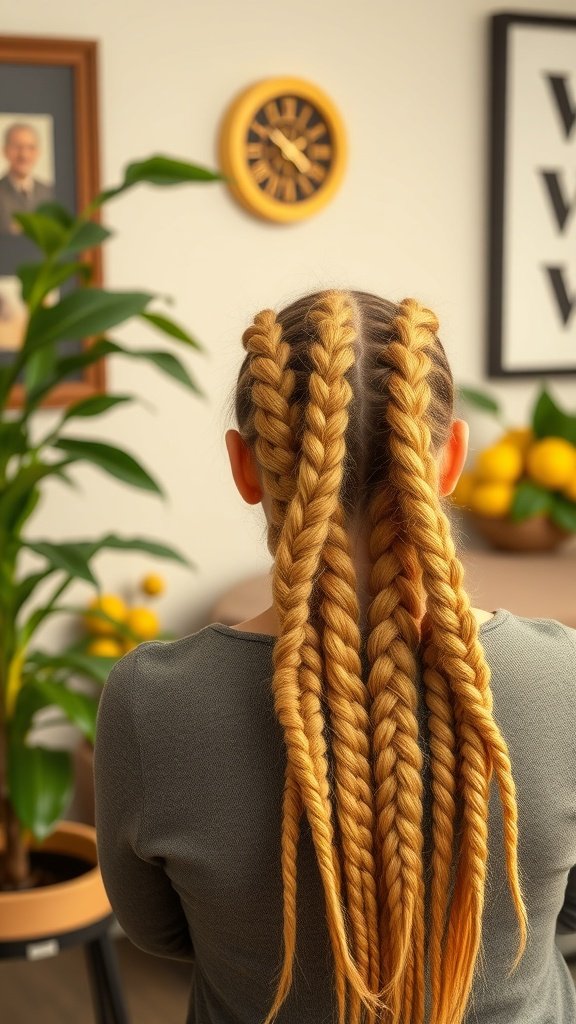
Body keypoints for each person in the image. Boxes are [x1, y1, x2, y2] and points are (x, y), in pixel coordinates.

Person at [94, 289, 576, 1024]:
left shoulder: (149, 702)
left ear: (245, 467)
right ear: (449, 461)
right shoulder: (564, 679)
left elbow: (158, 932)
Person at [0, 122, 54, 235]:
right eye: (17, 147)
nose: (24, 155)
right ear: (5, 150)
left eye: (30, 147)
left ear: (37, 152)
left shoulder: (49, 191)